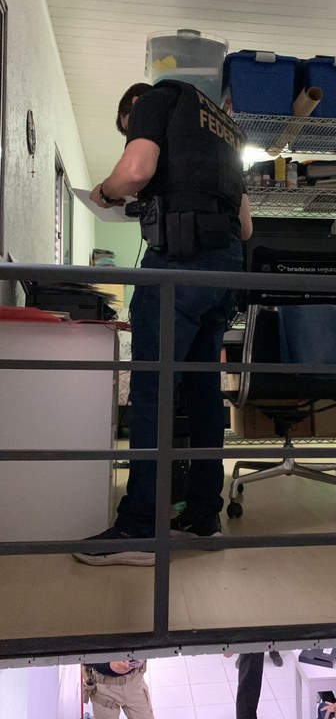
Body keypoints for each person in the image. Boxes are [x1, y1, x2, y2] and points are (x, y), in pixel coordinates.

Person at [73, 79, 252, 567]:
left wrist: (106, 192)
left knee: (152, 390)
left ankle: (139, 529)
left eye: (128, 127)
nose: (132, 130)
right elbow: (246, 227)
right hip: (225, 268)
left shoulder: (154, 100)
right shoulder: (223, 128)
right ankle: (202, 515)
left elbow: (136, 170)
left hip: (179, 264)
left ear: (132, 106)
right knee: (202, 390)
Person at [83, 659, 153, 719]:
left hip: (134, 683)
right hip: (104, 687)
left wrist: (142, 657)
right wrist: (107, 665)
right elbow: (83, 655)